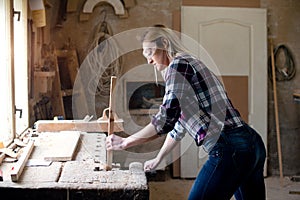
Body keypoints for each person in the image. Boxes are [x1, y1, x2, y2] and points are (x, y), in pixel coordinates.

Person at [106, 25, 266, 200]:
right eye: (145, 55)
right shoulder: (191, 63)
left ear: (164, 44)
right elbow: (178, 125)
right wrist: (158, 158)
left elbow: (165, 120)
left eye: (150, 52)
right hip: (252, 145)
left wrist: (125, 142)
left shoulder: (178, 66)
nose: (149, 61)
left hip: (231, 148)